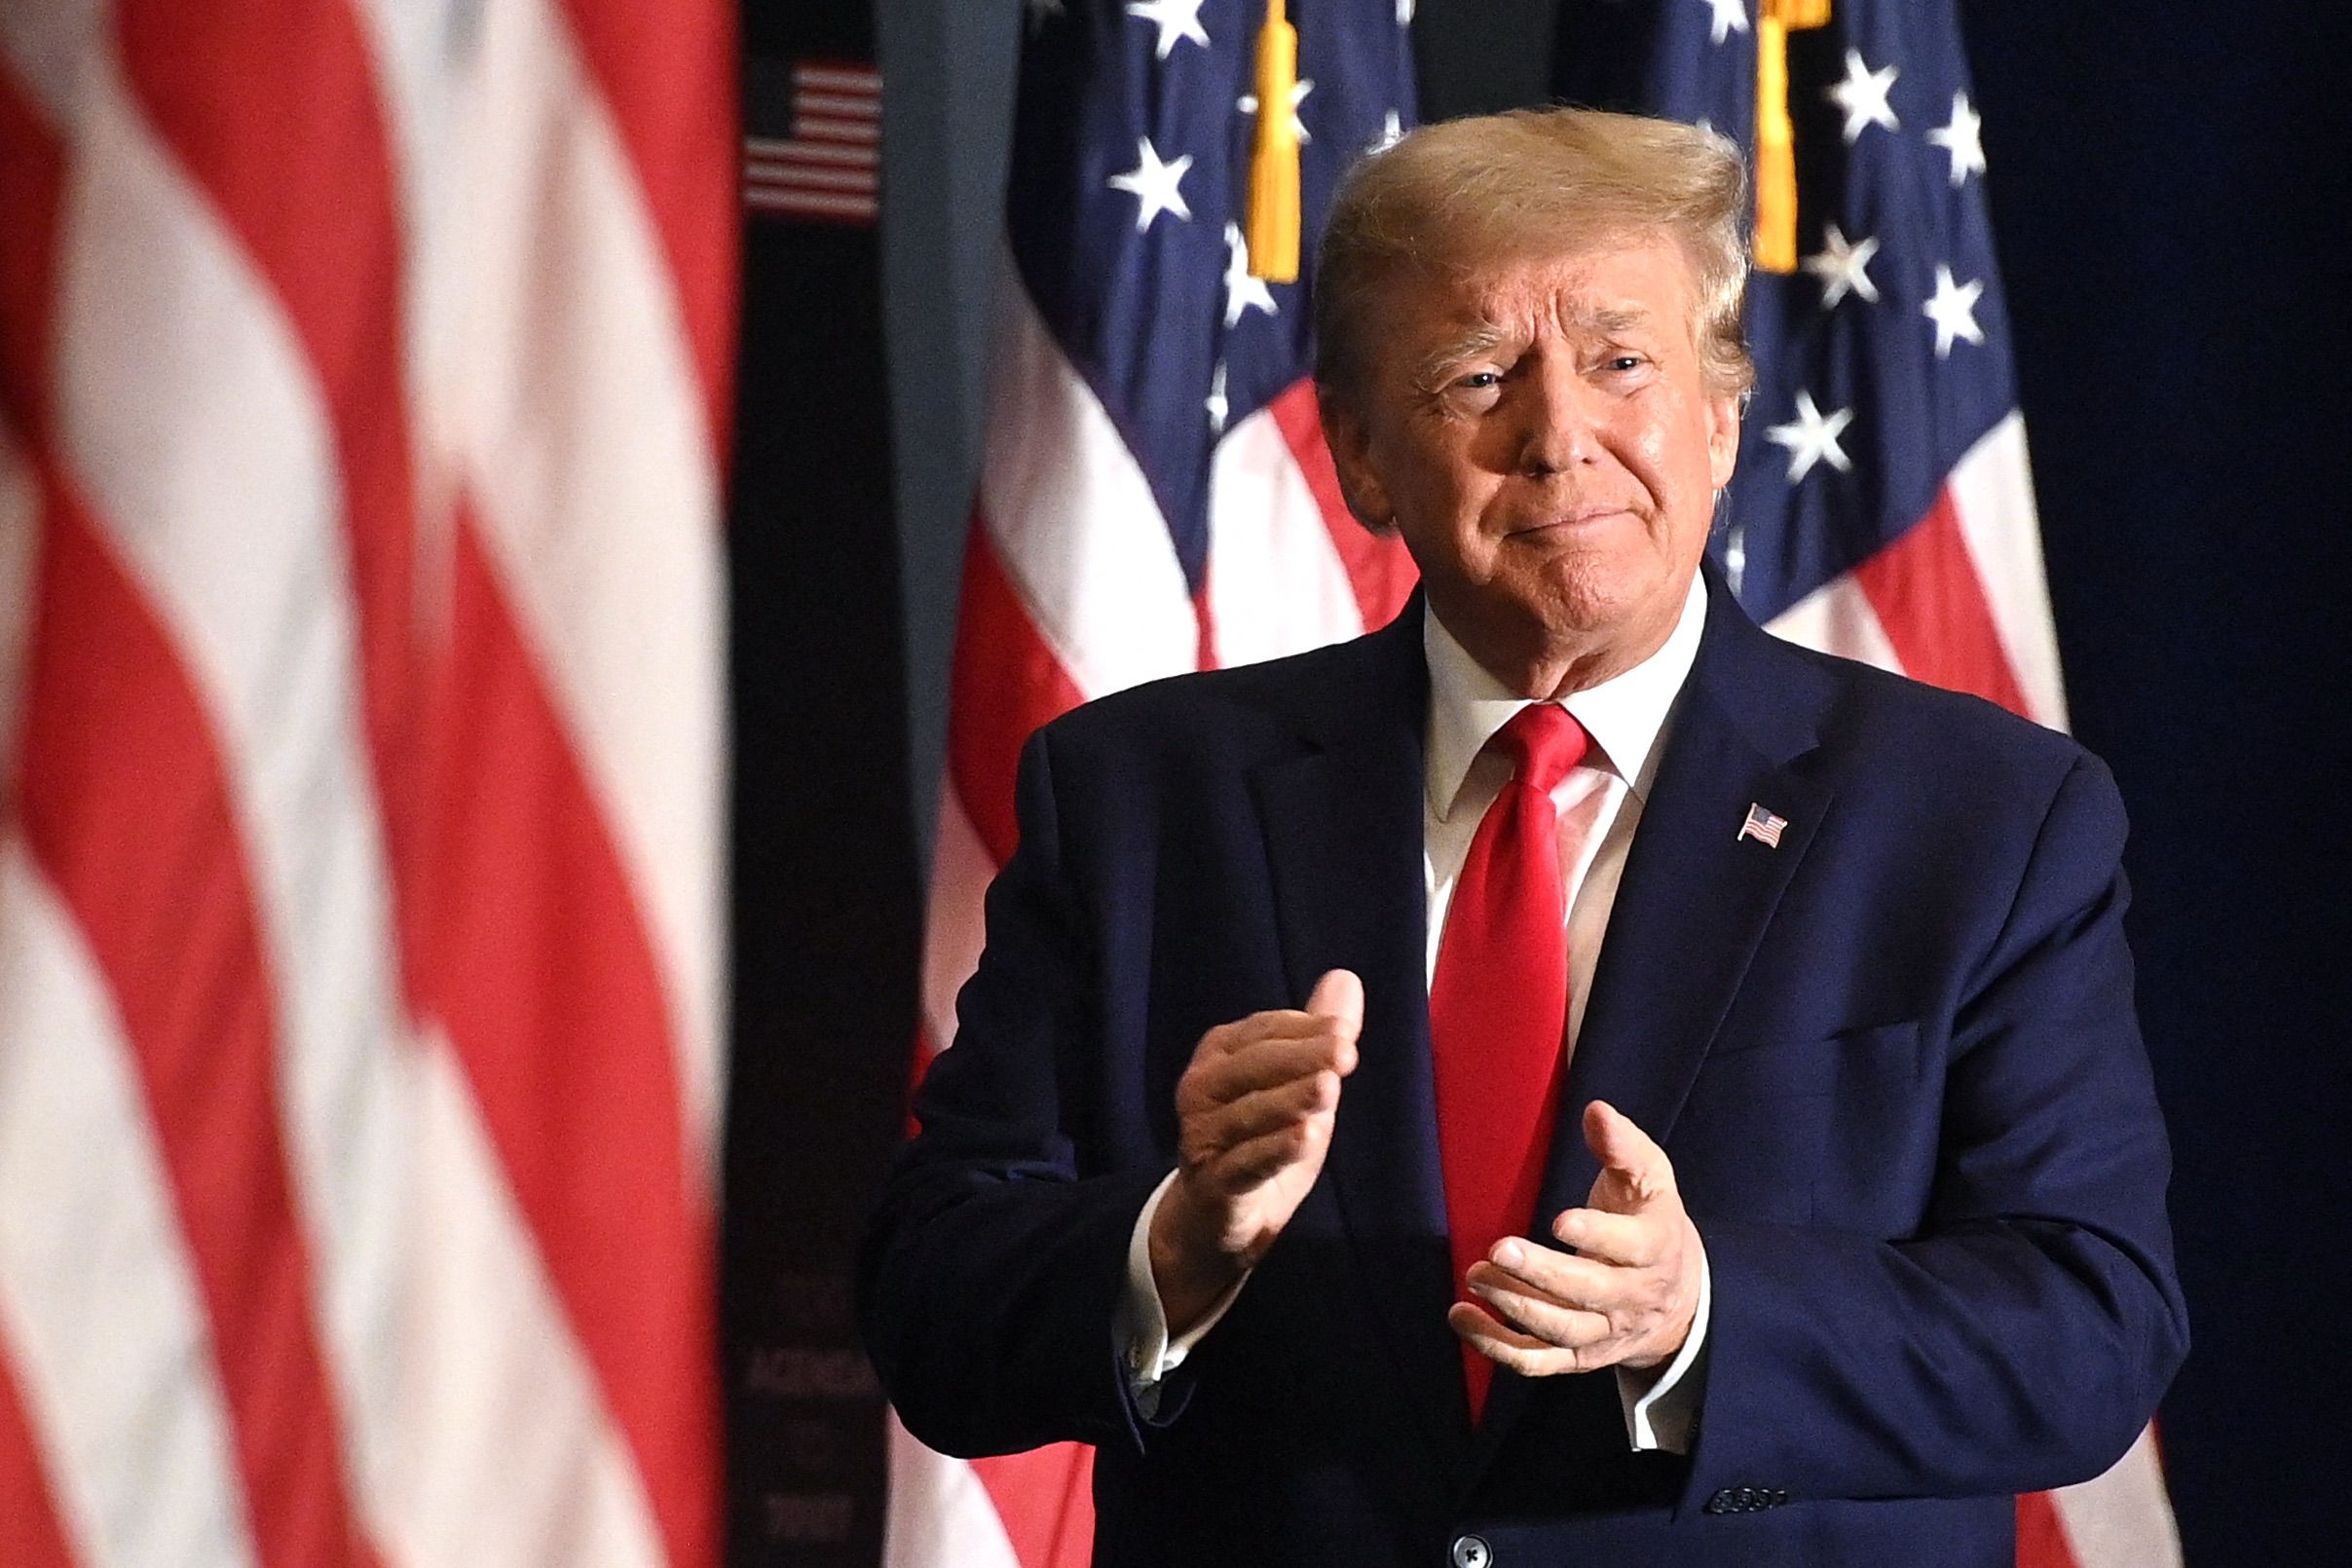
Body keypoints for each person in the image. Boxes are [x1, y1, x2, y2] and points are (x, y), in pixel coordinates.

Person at [858, 107, 2186, 1567]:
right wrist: (1180, 1239)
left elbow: (2091, 1326)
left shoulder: (1981, 817)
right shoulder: (1140, 796)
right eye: (1480, 375)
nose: (1561, 437)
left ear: (1723, 415)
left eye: (1623, 362)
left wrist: (1705, 1317)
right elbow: (933, 1300)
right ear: (1361, 456)